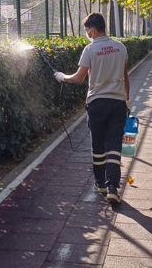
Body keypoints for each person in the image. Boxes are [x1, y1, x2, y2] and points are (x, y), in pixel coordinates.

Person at [54, 12, 129, 204]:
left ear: (94, 30)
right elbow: (125, 76)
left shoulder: (90, 49)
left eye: (87, 29)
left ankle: (100, 184)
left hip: (97, 102)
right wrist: (127, 101)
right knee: (114, 145)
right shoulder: (120, 48)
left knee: (98, 146)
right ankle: (113, 186)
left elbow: (79, 78)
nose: (87, 33)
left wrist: (62, 77)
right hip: (118, 103)